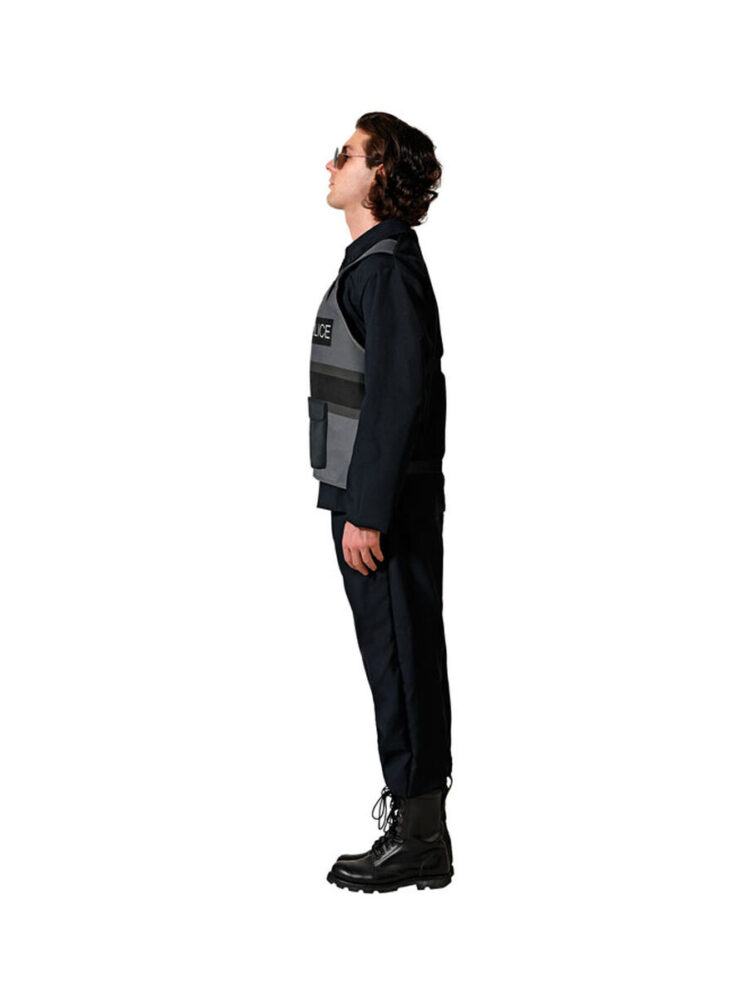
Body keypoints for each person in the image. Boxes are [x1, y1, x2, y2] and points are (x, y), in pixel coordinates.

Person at [308, 112, 453, 892]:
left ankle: (420, 835)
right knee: (392, 659)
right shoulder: (371, 265)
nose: (331, 164)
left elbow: (398, 398)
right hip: (368, 504)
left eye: (347, 154)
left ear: (380, 173)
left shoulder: (387, 270)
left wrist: (366, 510)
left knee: (403, 659)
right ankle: (415, 826)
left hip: (382, 513)